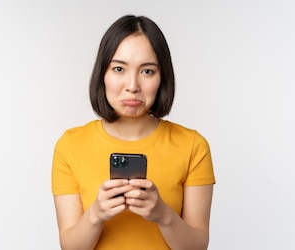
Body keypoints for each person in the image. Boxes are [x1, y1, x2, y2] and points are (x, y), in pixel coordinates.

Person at [51, 14, 216, 250]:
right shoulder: (70, 145)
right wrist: (96, 214)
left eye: (147, 71)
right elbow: (70, 247)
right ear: (102, 74)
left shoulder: (193, 146)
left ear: (162, 77)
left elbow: (197, 247)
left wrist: (163, 214)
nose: (132, 85)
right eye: (119, 68)